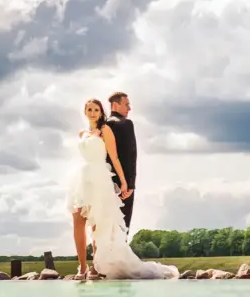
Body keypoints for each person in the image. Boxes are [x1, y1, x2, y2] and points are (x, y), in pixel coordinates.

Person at [68, 98, 178, 280]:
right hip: (82, 178)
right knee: (78, 220)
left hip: (101, 178)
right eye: (90, 109)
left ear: (101, 111)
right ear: (85, 112)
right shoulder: (82, 133)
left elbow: (115, 157)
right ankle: (81, 266)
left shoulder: (105, 130)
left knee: (98, 224)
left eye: (96, 109)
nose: (93, 112)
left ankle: (96, 267)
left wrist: (124, 182)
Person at [103, 91, 137, 233]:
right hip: (123, 186)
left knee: (106, 226)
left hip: (104, 182)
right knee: (122, 226)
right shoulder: (126, 124)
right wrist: (130, 184)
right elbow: (130, 156)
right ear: (115, 105)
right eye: (126, 105)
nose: (129, 109)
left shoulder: (103, 126)